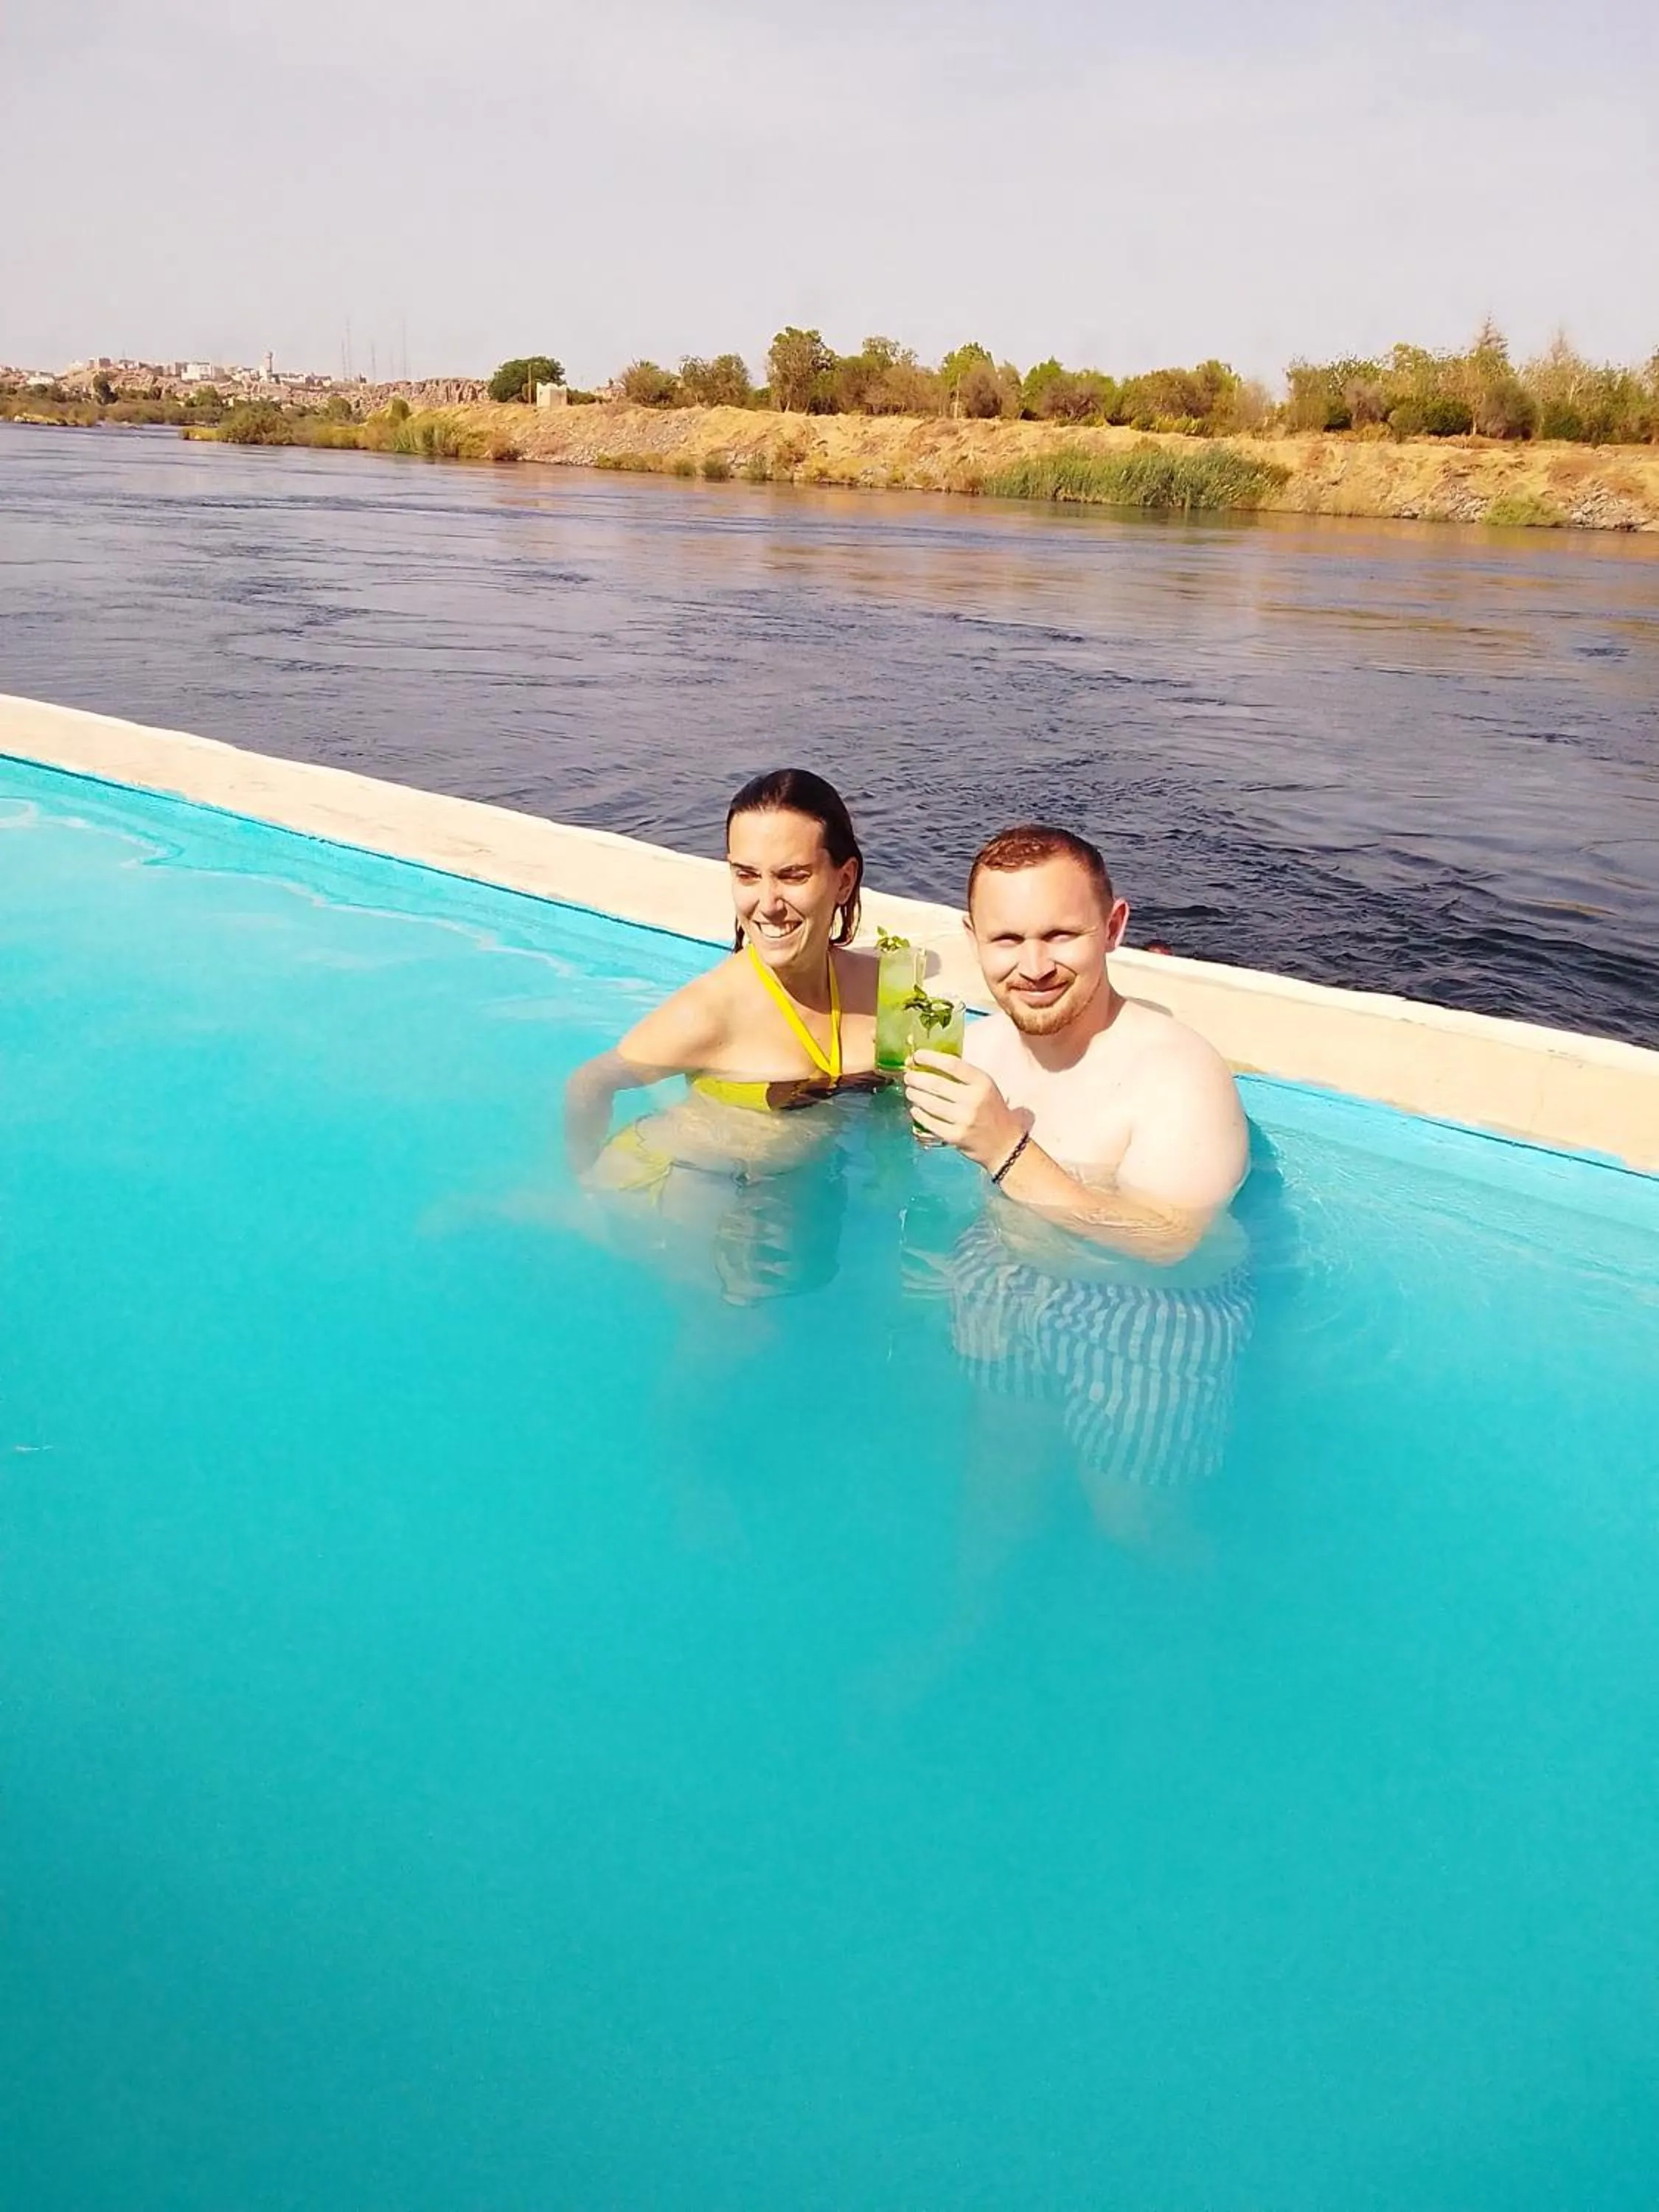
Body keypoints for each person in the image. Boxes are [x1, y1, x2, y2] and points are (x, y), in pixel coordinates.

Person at [902, 823, 1253, 1528]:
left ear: (1113, 927)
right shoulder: (979, 1048)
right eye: (1006, 940)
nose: (1032, 966)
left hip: (1154, 1309)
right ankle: (967, 1627)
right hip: (1004, 1270)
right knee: (1000, 1463)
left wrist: (1005, 1148)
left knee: (1133, 1519)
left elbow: (1172, 1242)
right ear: (973, 939)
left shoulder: (1179, 1074)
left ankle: (1187, 1634)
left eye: (1061, 935)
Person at [562, 769, 881, 1293]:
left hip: (781, 1195)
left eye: (793, 875)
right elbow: (589, 1083)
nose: (768, 903)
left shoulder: (875, 987)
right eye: (747, 875)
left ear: (843, 880)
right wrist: (585, 1187)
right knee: (721, 1334)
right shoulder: (709, 1013)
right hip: (680, 1183)